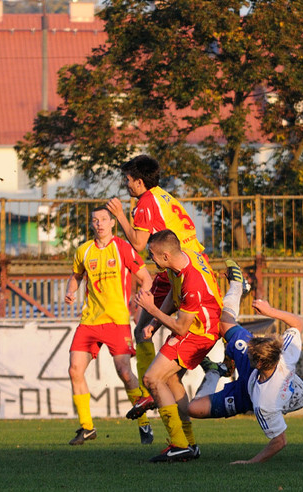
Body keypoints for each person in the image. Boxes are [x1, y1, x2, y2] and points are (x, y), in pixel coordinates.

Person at [107, 154, 211, 443]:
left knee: (147, 333)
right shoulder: (163, 196)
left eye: (128, 179)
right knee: (169, 369)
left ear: (139, 182)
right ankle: (185, 441)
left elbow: (139, 245)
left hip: (176, 270)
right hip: (193, 263)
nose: (125, 184)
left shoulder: (145, 203)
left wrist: (120, 217)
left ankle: (146, 392)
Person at [188, 262, 303, 463]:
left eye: (250, 353)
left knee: (193, 409)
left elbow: (279, 441)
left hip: (249, 395)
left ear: (260, 363)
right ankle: (238, 286)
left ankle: (214, 372)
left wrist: (250, 462)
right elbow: (298, 323)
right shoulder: (285, 355)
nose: (248, 351)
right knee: (224, 323)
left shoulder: (265, 403)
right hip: (257, 376)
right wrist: (270, 311)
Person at [128, 229, 223, 462]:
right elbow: (173, 291)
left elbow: (181, 328)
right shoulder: (180, 261)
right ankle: (189, 444)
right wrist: (154, 323)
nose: (150, 258)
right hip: (196, 328)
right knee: (170, 380)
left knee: (152, 379)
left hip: (198, 332)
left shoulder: (193, 282)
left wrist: (152, 310)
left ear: (166, 256)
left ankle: (178, 444)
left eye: (152, 255)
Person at [64, 206, 152, 445]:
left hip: (117, 321)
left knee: (124, 372)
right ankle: (87, 427)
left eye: (104, 219)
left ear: (112, 223)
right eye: (95, 220)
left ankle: (144, 424)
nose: (99, 223)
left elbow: (147, 278)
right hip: (90, 321)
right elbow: (76, 276)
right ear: (91, 224)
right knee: (74, 370)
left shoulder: (122, 247)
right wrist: (70, 290)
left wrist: (141, 306)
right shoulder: (84, 250)